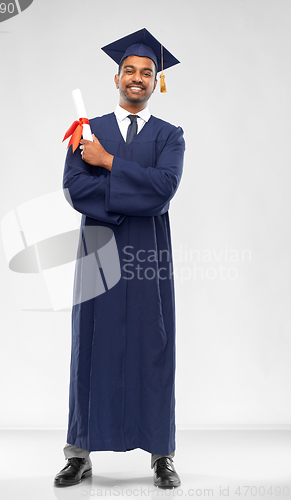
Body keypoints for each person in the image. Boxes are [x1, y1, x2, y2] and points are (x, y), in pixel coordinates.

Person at [54, 28, 185, 489]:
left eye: (147, 72)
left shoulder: (171, 136)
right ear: (116, 78)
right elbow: (75, 188)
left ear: (156, 82)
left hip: (149, 257)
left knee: (155, 347)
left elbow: (165, 190)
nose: (138, 78)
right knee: (90, 346)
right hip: (100, 256)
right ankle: (79, 453)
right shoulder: (87, 132)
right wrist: (137, 191)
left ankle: (162, 455)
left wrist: (108, 163)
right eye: (130, 70)